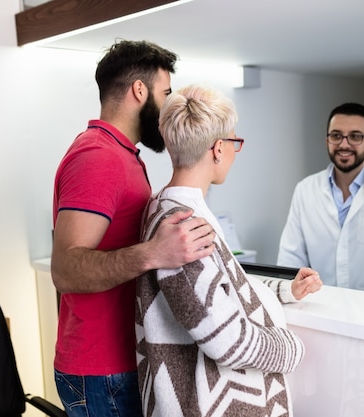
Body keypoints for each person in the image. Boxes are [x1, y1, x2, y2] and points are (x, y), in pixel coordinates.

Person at [50, 40, 217, 417]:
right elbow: (66, 269)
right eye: (166, 93)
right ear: (139, 91)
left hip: (118, 363)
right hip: (103, 370)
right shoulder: (99, 158)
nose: (170, 105)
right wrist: (154, 252)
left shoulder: (119, 154)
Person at [136, 84, 322, 417]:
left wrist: (283, 291)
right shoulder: (183, 226)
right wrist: (292, 349)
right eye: (235, 142)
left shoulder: (168, 206)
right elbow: (228, 342)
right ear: (218, 149)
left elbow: (217, 287)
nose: (236, 152)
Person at [277, 102, 364, 296]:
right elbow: (290, 261)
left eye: (355, 136)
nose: (344, 144)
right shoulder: (305, 190)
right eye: (336, 136)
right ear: (327, 141)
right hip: (317, 308)